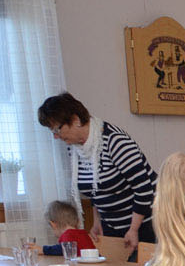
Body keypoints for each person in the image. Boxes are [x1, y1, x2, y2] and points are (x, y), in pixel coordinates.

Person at [37, 92, 158, 256]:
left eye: (57, 129)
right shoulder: (76, 149)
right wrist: (97, 221)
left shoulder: (115, 141)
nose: (55, 136)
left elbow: (144, 190)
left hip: (144, 224)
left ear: (75, 120)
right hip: (112, 224)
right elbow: (95, 190)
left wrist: (133, 229)